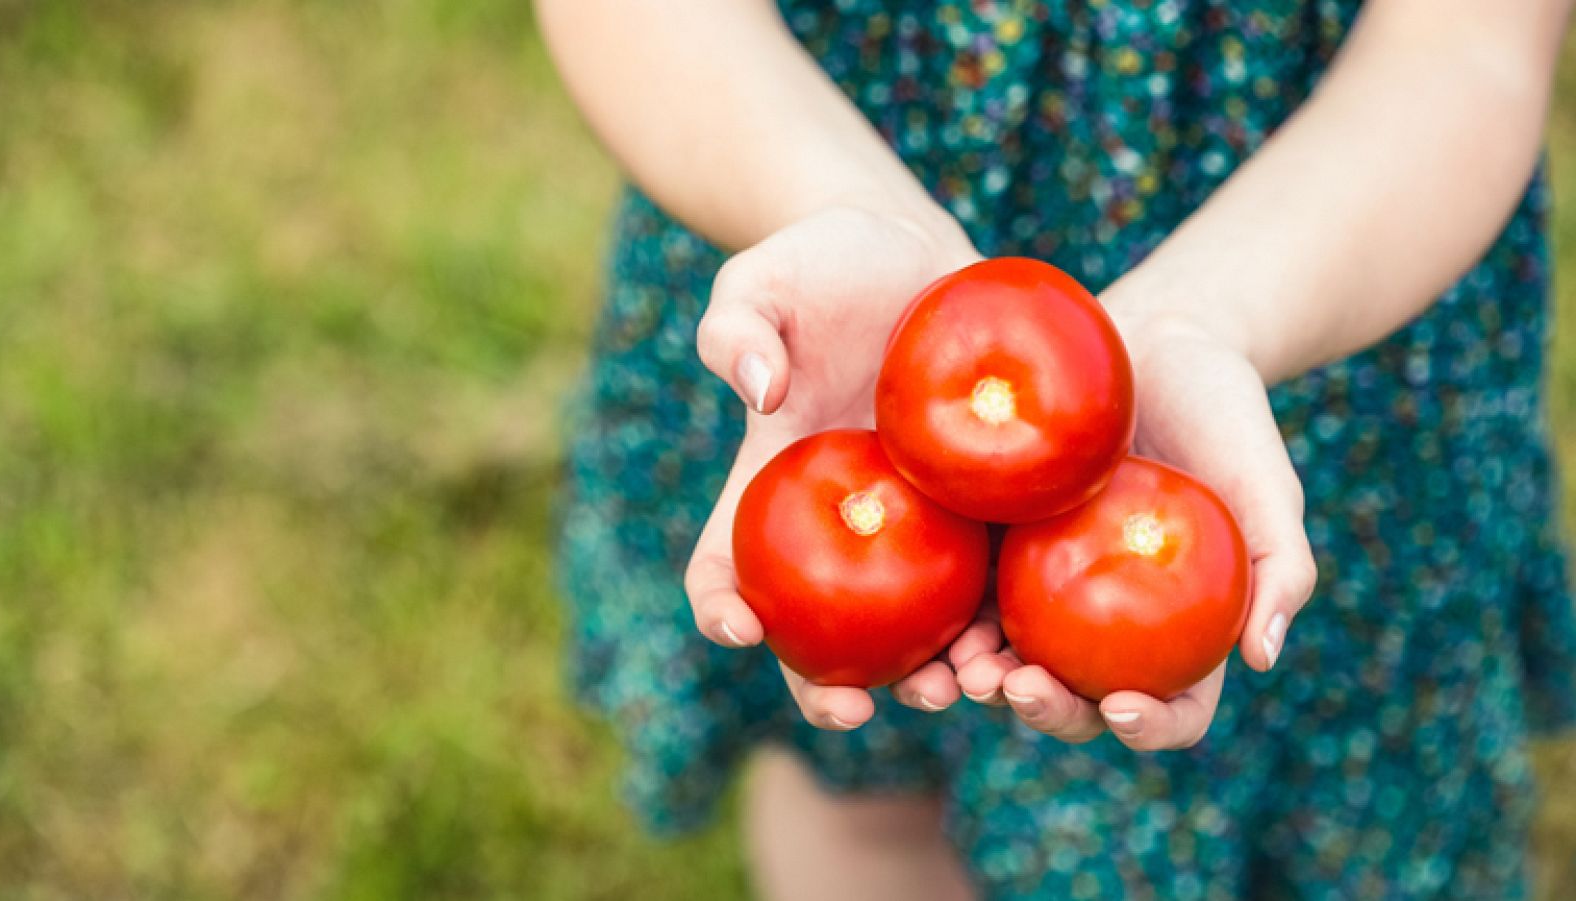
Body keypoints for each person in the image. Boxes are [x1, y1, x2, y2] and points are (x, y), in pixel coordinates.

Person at [540, 1, 1576, 897]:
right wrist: (839, 207)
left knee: (1339, 822)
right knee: (856, 788)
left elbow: (1466, 45)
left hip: (1317, 277)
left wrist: (1207, 320)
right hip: (811, 228)